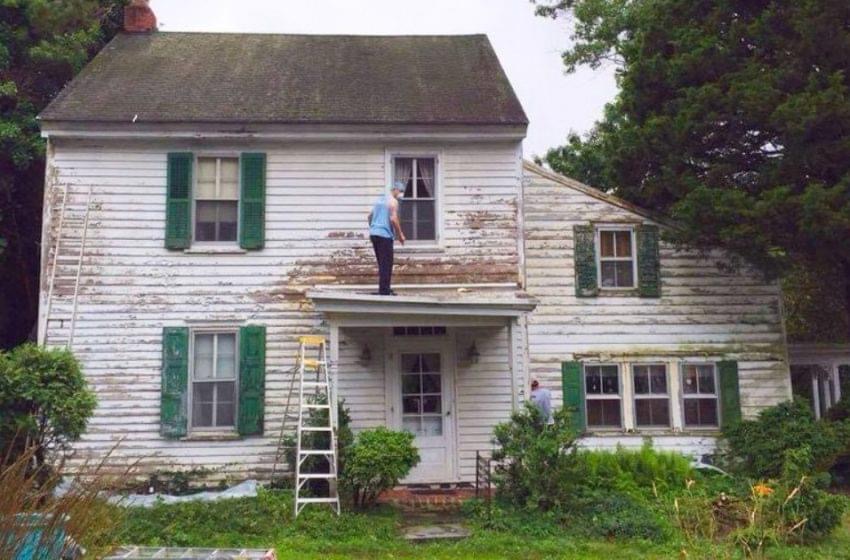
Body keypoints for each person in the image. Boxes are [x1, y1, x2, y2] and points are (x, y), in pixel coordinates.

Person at [367, 181, 406, 295]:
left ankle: (384, 288)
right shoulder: (393, 202)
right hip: (384, 235)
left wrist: (374, 228)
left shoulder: (380, 200)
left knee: (382, 263)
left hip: (374, 234)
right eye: (401, 191)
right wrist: (400, 235)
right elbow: (393, 219)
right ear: (395, 190)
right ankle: (384, 291)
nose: (401, 194)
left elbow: (369, 216)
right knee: (387, 263)